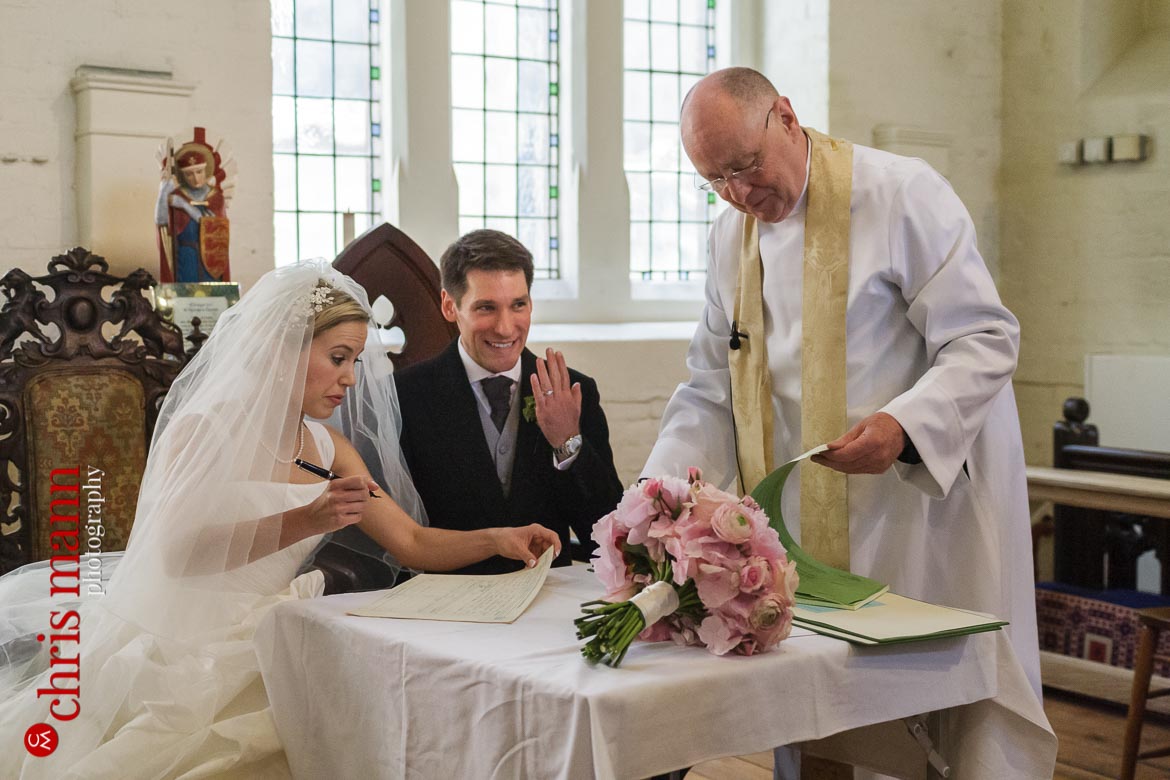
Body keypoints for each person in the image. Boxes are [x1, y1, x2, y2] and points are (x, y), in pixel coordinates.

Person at [641, 68, 1054, 776]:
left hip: (913, 512)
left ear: (787, 118)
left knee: (934, 726)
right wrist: (656, 492)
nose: (740, 194)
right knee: (813, 719)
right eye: (715, 180)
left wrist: (902, 426)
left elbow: (985, 337)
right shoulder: (728, 237)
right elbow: (712, 383)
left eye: (745, 166)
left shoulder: (901, 194)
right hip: (806, 521)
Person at [0, 260, 559, 779]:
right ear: (283, 349)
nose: (350, 379)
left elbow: (411, 541)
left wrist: (498, 538)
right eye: (338, 358)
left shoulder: (330, 448)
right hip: (187, 645)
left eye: (355, 363)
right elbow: (176, 554)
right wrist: (307, 518)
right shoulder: (204, 432)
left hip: (280, 632)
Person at [357, 229, 624, 576]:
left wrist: (567, 443)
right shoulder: (405, 396)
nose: (505, 327)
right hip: (442, 603)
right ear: (449, 306)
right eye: (486, 308)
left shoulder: (575, 391)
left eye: (518, 305)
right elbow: (395, 534)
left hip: (547, 597)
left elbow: (607, 537)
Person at [154, 129, 231, 283]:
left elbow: (213, 226)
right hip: (185, 257)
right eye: (189, 174)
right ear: (182, 175)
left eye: (199, 171)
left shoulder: (215, 197)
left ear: (207, 169)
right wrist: (163, 193)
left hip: (210, 258)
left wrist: (184, 205)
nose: (195, 178)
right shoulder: (177, 195)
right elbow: (161, 222)